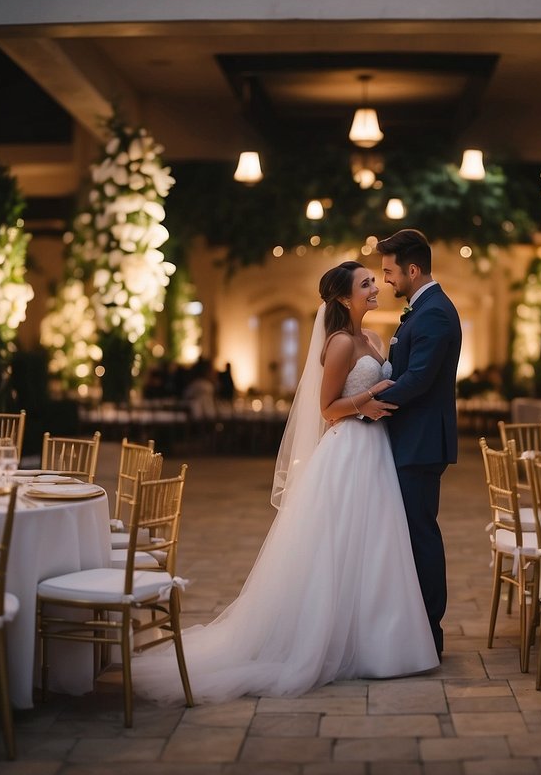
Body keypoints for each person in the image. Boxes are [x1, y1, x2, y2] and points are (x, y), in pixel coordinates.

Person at [133, 261, 438, 704]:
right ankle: (327, 639)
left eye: (374, 281)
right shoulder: (337, 344)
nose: (375, 288)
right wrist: (367, 401)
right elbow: (327, 408)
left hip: (375, 453)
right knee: (338, 545)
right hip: (349, 448)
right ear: (342, 297)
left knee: (375, 545)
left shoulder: (371, 339)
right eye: (366, 284)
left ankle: (378, 640)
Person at [375, 229, 462, 658]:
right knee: (410, 533)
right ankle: (414, 624)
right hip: (411, 438)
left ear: (412, 269)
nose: (387, 280)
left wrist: (363, 403)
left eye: (390, 272)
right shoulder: (422, 309)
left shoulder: (433, 314)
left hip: (421, 442)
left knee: (420, 534)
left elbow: (418, 379)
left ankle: (430, 630)